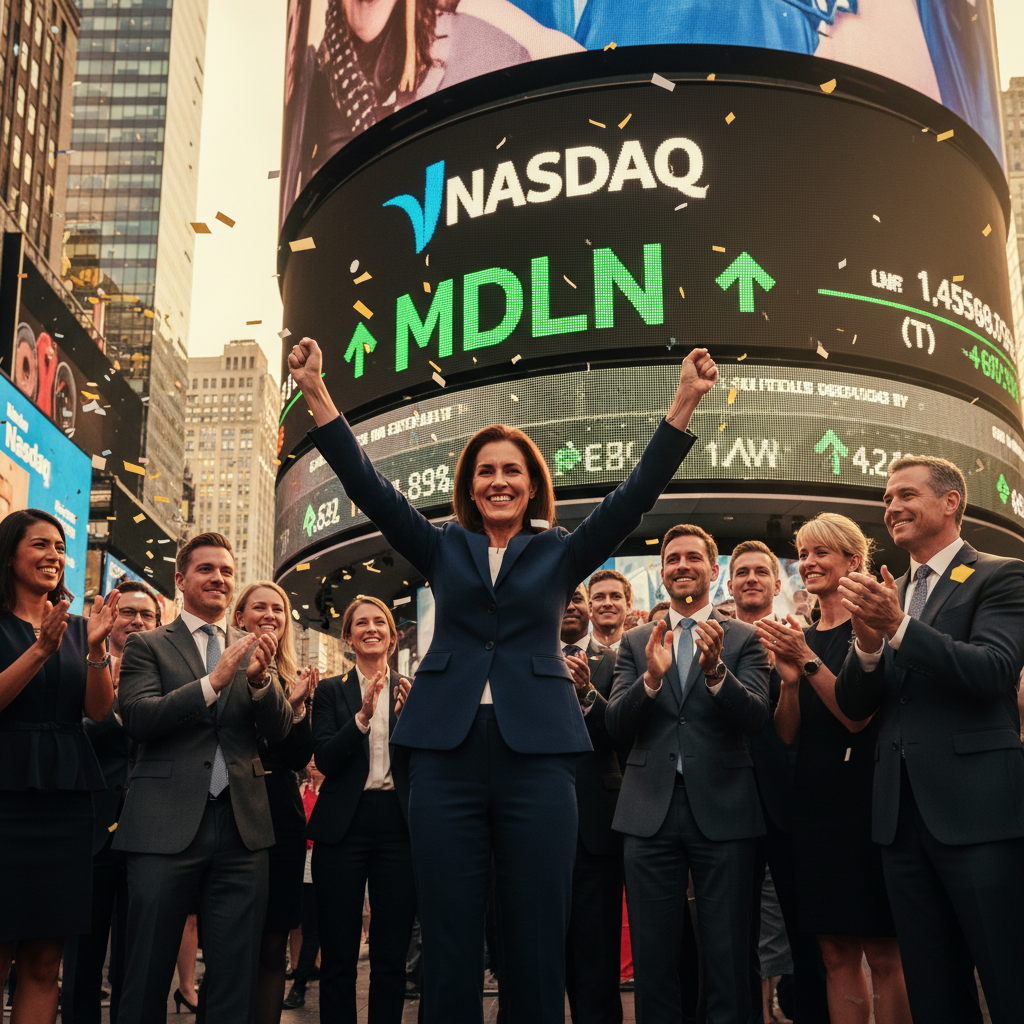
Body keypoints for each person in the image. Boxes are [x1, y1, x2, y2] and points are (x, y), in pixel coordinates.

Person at [289, 335, 716, 1024]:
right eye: (486, 470)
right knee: (453, 936)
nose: (498, 482)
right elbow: (368, 485)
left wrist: (684, 401)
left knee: (537, 933)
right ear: (469, 483)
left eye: (512, 471)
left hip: (539, 758)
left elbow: (634, 496)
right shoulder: (440, 544)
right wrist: (316, 391)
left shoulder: (559, 550)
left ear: (531, 482)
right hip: (444, 757)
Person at [834, 457, 1024, 1024]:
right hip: (900, 823)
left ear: (950, 502)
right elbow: (854, 705)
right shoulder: (888, 595)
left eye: (906, 495)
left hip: (978, 815)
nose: (891, 507)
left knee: (1007, 975)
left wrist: (898, 628)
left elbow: (993, 668)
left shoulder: (1001, 574)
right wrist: (868, 646)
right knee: (933, 988)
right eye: (887, 498)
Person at [113, 532, 294, 1024]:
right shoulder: (147, 645)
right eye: (207, 569)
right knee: (145, 971)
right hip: (162, 825)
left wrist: (259, 682)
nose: (219, 578)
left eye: (227, 572)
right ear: (180, 580)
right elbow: (138, 718)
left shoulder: (254, 647)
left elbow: (278, 733)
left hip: (243, 829)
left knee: (235, 978)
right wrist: (211, 685)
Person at [605, 523, 769, 1024]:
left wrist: (718, 673)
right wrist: (651, 680)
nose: (682, 566)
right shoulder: (635, 643)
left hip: (725, 811)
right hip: (647, 814)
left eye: (693, 558)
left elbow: (759, 718)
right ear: (661, 572)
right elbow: (614, 723)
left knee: (727, 954)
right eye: (673, 559)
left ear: (713, 570)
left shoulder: (744, 639)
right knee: (655, 960)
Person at [757, 516, 910, 1024]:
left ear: (853, 561)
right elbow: (785, 733)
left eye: (823, 552)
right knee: (834, 952)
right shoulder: (802, 636)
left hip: (868, 802)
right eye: (803, 553)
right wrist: (791, 683)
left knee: (885, 953)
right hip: (814, 805)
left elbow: (854, 715)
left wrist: (805, 662)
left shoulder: (872, 627)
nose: (809, 563)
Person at [0, 510, 119, 1024]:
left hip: (66, 801)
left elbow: (97, 711)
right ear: (9, 554)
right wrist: (42, 648)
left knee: (47, 960)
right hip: (4, 798)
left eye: (60, 547)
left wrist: (94, 651)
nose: (54, 556)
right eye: (40, 545)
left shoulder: (77, 628)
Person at [727, 541, 829, 1024]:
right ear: (728, 586)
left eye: (760, 572)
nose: (750, 578)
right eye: (741, 571)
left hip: (790, 804)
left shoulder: (802, 639)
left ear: (775, 583)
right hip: (723, 805)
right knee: (733, 934)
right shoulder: (710, 640)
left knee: (804, 929)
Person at [306, 595, 416, 1024]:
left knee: (391, 955)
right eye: (361, 624)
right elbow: (327, 762)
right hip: (342, 826)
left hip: (399, 824)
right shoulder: (331, 691)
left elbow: (428, 764)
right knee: (338, 954)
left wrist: (412, 726)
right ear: (348, 638)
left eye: (379, 623)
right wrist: (362, 718)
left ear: (391, 635)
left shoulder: (413, 688)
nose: (371, 629)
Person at [61, 581, 162, 1024]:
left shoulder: (168, 668)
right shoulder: (78, 661)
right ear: (109, 616)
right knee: (81, 959)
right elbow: (72, 730)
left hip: (152, 831)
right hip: (90, 827)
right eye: (128, 612)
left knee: (137, 959)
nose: (137, 621)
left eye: (147, 615)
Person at [231, 581, 318, 1024]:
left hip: (280, 816)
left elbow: (297, 758)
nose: (270, 614)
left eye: (278, 608)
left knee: (272, 944)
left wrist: (298, 708)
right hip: (231, 813)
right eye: (259, 607)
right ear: (239, 616)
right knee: (232, 946)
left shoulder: (294, 676)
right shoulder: (221, 667)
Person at [562, 572, 632, 1024]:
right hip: (526, 829)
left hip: (595, 830)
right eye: (561, 598)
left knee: (598, 961)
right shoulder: (521, 658)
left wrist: (588, 692)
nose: (570, 605)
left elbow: (622, 735)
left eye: (577, 598)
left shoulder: (619, 660)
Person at [284, 757, 324, 1010]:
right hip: (303, 864)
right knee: (301, 922)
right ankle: (299, 970)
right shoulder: (301, 791)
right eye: (309, 759)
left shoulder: (332, 791)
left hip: (324, 862)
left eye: (316, 759)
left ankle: (300, 985)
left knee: (314, 927)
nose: (312, 763)